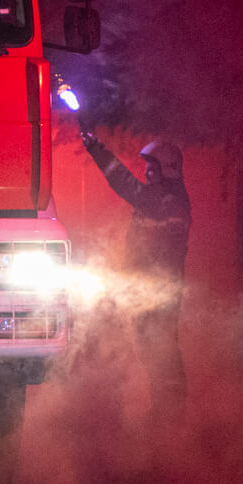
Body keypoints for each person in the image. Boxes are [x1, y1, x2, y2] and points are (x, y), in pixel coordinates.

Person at [79, 131, 192, 408]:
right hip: (151, 292)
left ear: (166, 168)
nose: (147, 172)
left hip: (156, 295)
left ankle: (169, 421)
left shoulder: (167, 200)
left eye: (152, 167)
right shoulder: (163, 197)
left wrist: (97, 149)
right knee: (154, 353)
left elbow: (125, 184)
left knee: (161, 354)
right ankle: (166, 417)